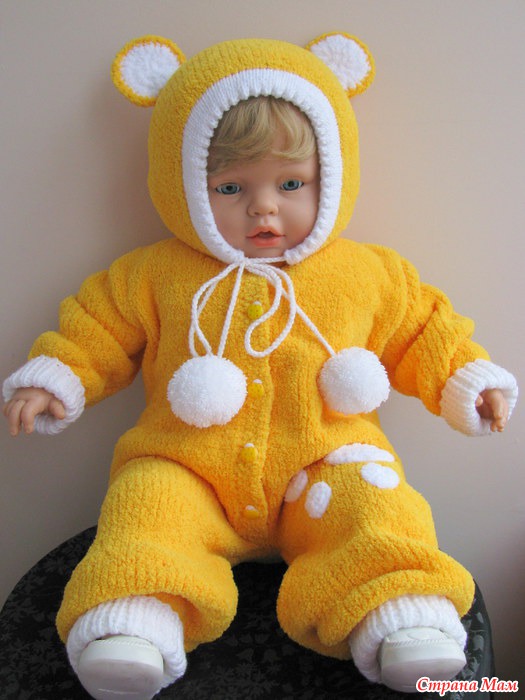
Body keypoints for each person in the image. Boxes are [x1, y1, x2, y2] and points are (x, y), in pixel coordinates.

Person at [3, 34, 518, 700]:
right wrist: (56, 377)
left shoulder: (364, 273)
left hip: (325, 464)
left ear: (333, 175)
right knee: (145, 508)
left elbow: (424, 332)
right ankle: (134, 622)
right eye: (230, 187)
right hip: (191, 465)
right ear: (181, 184)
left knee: (377, 505)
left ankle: (400, 613)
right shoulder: (154, 274)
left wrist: (465, 380)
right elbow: (97, 328)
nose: (263, 207)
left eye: (291, 183)